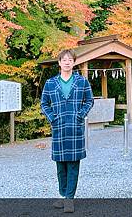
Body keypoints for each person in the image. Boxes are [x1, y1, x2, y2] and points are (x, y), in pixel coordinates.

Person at [40, 49, 94, 213]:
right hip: (59, 128)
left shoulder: (82, 81)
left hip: (75, 127)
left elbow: (89, 101)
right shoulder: (50, 83)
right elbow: (44, 104)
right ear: (59, 63)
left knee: (73, 164)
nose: (67, 62)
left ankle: (69, 198)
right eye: (64, 59)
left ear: (74, 62)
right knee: (60, 164)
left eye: (70, 59)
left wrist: (80, 115)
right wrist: (53, 118)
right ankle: (63, 195)